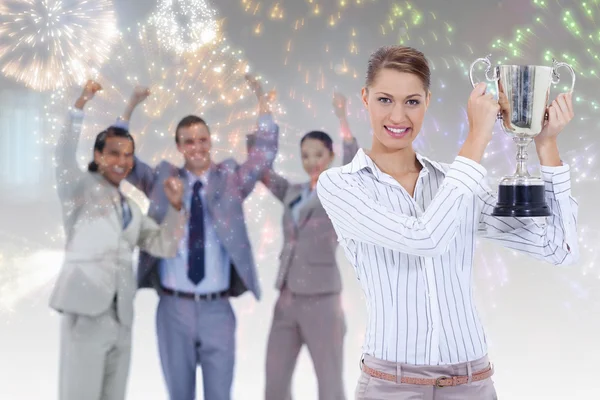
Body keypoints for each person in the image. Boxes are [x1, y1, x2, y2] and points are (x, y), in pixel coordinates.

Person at [316, 45, 579, 399]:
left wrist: (547, 147)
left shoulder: (454, 182)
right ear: (365, 98)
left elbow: (559, 248)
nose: (398, 116)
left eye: (411, 101)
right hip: (391, 387)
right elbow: (426, 238)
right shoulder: (341, 185)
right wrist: (476, 138)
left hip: (471, 382)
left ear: (427, 100)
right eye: (384, 100)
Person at [113, 74, 279, 400]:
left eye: (202, 139)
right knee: (179, 395)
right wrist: (129, 106)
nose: (197, 147)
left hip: (218, 310)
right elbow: (124, 161)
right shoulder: (163, 178)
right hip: (173, 308)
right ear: (179, 147)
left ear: (211, 141)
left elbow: (262, 157)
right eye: (189, 141)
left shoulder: (230, 178)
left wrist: (262, 102)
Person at [50, 80, 186, 400]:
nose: (122, 162)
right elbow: (63, 153)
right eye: (113, 153)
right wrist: (79, 107)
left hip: (122, 318)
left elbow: (164, 244)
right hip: (85, 313)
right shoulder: (78, 189)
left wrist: (177, 208)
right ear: (98, 156)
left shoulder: (133, 210)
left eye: (128, 155)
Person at [249, 92, 359, 400]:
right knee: (275, 381)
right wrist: (264, 115)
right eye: (305, 155)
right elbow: (261, 171)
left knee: (329, 381)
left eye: (318, 154)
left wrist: (342, 119)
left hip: (323, 299)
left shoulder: (340, 192)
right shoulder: (292, 192)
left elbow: (355, 163)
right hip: (286, 297)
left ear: (331, 156)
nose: (311, 162)